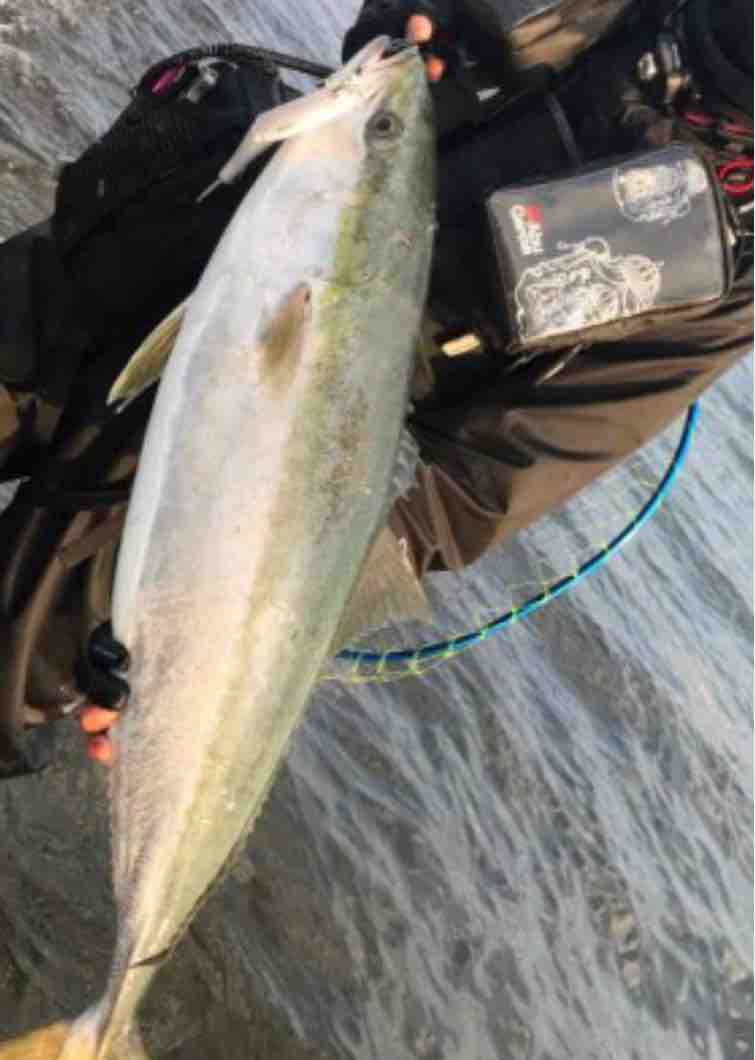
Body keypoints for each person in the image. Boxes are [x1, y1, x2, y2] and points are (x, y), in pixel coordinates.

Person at [0, 0, 751, 774]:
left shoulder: (737, 273)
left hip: (244, 481)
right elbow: (386, 52)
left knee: (25, 674)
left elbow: (470, 488)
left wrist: (230, 640)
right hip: (146, 260)